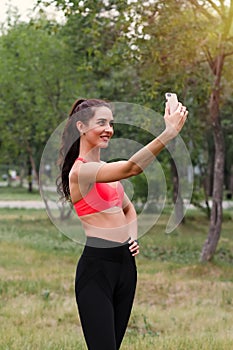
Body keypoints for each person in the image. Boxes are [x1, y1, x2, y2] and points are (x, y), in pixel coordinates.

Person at [57, 98, 188, 350]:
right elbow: (131, 168)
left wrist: (132, 237)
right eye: (101, 122)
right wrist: (168, 134)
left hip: (126, 268)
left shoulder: (104, 169)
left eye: (111, 123)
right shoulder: (81, 172)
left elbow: (128, 209)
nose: (109, 129)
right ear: (81, 127)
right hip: (97, 269)